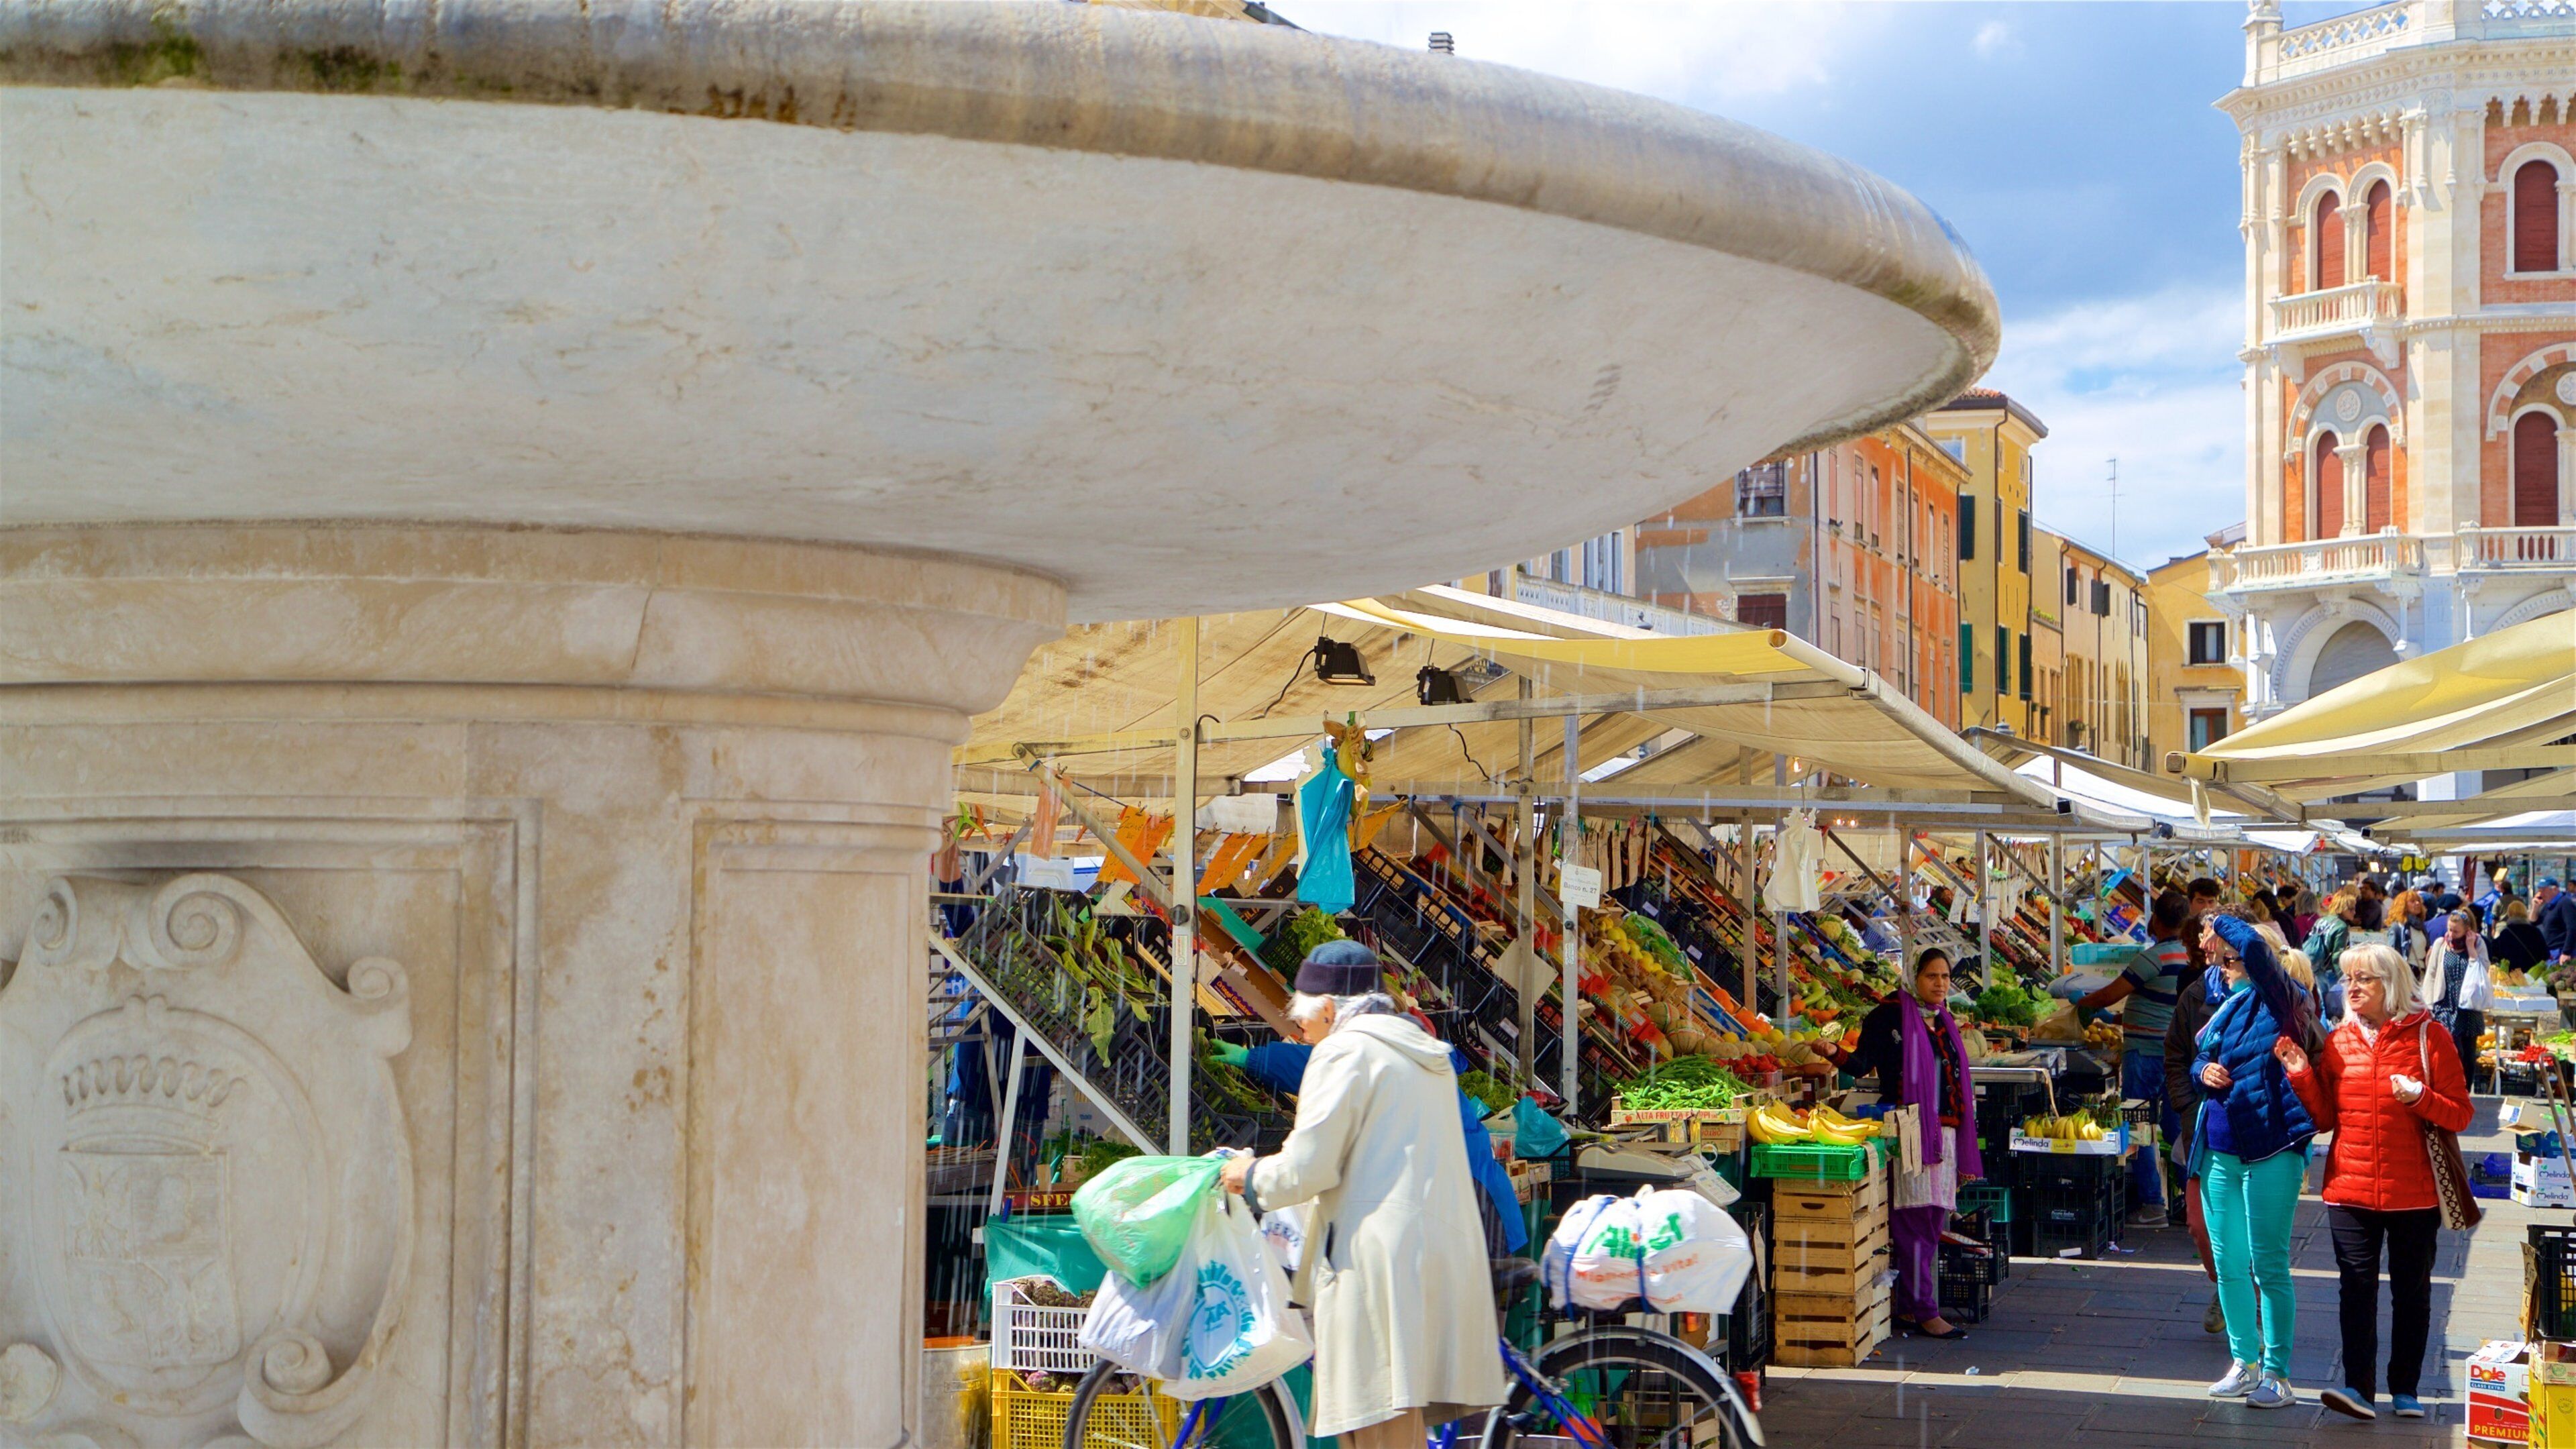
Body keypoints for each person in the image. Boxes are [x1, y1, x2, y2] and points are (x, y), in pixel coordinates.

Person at [1223, 941, 1505, 1444]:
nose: (1303, 1037)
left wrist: (1251, 1174)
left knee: (1379, 1425)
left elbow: (1308, 1168)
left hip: (1378, 1268)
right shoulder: (1424, 1055)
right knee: (1392, 1424)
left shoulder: (1343, 1051)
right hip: (1438, 1256)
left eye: (1306, 1025)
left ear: (1329, 1010)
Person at [2279, 944, 2474, 1423]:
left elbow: (2461, 1114)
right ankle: (2358, 1388)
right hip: (2351, 1186)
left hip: (2415, 1192)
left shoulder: (2431, 1037)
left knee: (2412, 1291)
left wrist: (2421, 1097)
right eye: (2349, 979)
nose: (2353, 987)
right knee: (2356, 1288)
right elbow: (2326, 1118)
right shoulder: (2339, 1041)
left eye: (2364, 979)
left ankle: (2405, 1388)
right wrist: (2303, 1076)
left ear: (2391, 985)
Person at [1220, 1028, 1528, 1254]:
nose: (1303, 1029)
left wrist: (1254, 1058)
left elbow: (1330, 1069)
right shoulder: (1420, 1062)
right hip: (1478, 1210)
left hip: (1476, 1213)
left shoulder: (1391, 1061)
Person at [2192, 908, 2320, 1410]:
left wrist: (2220, 920)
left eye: (2229, 958)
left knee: (2269, 1264)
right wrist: (2204, 1070)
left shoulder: (2285, 1001)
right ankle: (2244, 1363)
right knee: (2228, 1264)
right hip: (2221, 1148)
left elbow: (2255, 956)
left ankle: (2278, 1375)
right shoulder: (2227, 1004)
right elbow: (2198, 1056)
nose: (2221, 964)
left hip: (2271, 1146)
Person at [1827, 947, 1982, 1339]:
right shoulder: (1887, 1016)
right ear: (1913, 977)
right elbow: (1862, 1065)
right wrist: (1831, 1053)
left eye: (1945, 977)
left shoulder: (1944, 1020)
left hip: (1945, 1133)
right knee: (1914, 1220)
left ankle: (1915, 1305)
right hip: (1908, 1130)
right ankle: (1924, 1309)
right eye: (1932, 976)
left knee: (1932, 1218)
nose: (1940, 984)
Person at [2081, 888, 2192, 1227]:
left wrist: (2079, 1003)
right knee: (2175, 1127)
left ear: (2155, 920)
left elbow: (2113, 992)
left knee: (2140, 1125)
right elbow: (2157, 1004)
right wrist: (2116, 1019)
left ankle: (2153, 1204)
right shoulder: (2189, 957)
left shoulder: (2154, 956)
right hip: (2174, 1054)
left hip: (2145, 1054)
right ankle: (2192, 1202)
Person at [2165, 963, 2224, 1334]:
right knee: (2199, 1225)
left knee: (2252, 1231)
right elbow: (2176, 1056)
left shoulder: (2274, 991)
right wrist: (2187, 1106)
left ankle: (2252, 1308)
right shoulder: (2197, 994)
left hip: (2258, 1138)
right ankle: (2223, 1283)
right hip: (2202, 1126)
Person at [2423, 908, 2494, 1097]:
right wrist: (2428, 1004)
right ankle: (2449, 1091)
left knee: (2469, 1054)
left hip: (2468, 1005)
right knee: (2453, 1051)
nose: (2451, 934)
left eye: (2456, 931)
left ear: (2467, 930)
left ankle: (2465, 1093)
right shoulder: (2441, 944)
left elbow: (2484, 969)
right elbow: (2431, 974)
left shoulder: (2479, 944)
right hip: (2445, 1003)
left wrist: (2471, 949)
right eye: (2449, 929)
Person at [2493, 898, 2549, 973]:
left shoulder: (2505, 933)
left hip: (2512, 977)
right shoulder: (2535, 931)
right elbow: (2545, 955)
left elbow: (2497, 954)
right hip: (2533, 976)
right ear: (2525, 913)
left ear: (2509, 914)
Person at [2535, 877, 2576, 969]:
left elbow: (2572, 928)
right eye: (2539, 891)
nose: (2541, 894)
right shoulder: (2548, 906)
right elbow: (2533, 922)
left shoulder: (2565, 903)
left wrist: (2566, 952)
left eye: (2544, 891)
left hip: (2560, 952)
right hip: (2551, 952)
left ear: (2555, 889)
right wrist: (2535, 907)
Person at [2387, 889, 2429, 971]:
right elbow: (2393, 954)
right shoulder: (2398, 927)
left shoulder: (2422, 926)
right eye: (2412, 901)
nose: (2417, 903)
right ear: (2403, 906)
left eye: (2418, 901)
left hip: (2422, 971)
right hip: (2407, 971)